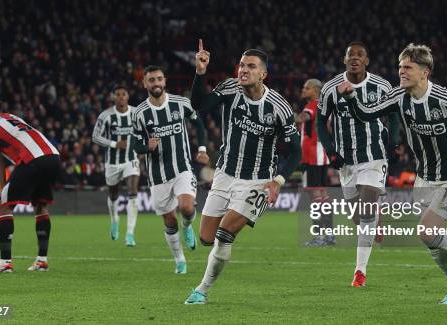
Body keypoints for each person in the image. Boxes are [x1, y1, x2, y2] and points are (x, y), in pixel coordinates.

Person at [341, 43, 447, 304]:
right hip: (424, 178)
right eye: (400, 67)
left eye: (408, 67)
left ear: (425, 72)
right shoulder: (398, 97)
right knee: (432, 243)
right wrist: (351, 97)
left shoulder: (444, 97)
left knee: (426, 231)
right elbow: (366, 113)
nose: (401, 72)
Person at [184, 40, 301, 304]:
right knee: (206, 238)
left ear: (263, 74)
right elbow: (199, 109)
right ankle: (226, 229)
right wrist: (200, 72)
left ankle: (201, 290)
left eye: (250, 66)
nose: (243, 70)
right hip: (225, 174)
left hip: (257, 181)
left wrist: (278, 181)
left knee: (224, 235)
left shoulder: (279, 107)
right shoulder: (229, 88)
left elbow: (295, 152)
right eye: (241, 65)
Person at [317, 42, 400, 286]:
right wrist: (331, 151)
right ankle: (375, 217)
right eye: (350, 55)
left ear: (367, 61)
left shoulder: (381, 85)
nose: (354, 58)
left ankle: (360, 272)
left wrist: (392, 142)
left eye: (359, 55)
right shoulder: (331, 88)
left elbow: (393, 115)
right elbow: (322, 122)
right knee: (359, 217)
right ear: (344, 61)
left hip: (375, 156)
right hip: (346, 161)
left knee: (365, 212)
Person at [132, 65, 208, 274]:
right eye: (151, 80)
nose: (156, 83)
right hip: (157, 176)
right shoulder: (139, 113)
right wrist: (147, 146)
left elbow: (199, 124)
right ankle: (179, 260)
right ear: (145, 83)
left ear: (164, 81)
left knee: (187, 207)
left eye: (159, 79)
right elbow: (135, 144)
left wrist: (202, 149)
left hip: (182, 167)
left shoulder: (181, 103)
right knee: (169, 220)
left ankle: (188, 226)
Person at [0, 98, 60, 273]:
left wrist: (2, 187)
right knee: (40, 205)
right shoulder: (13, 117)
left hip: (32, 159)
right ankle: (42, 261)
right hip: (53, 156)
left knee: (3, 206)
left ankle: (5, 263)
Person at [92, 85, 143, 247]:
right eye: (118, 95)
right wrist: (114, 144)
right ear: (114, 98)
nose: (121, 97)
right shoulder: (106, 116)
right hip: (112, 163)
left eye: (124, 94)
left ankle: (130, 234)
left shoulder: (136, 113)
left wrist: (142, 146)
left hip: (131, 160)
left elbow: (145, 131)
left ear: (128, 96)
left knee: (133, 192)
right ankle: (114, 219)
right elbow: (95, 137)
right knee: (113, 195)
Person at [295, 79, 332, 246]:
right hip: (322, 155)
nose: (303, 90)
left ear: (316, 90)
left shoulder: (312, 104)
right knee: (323, 196)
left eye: (307, 87)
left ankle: (319, 237)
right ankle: (330, 234)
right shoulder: (323, 106)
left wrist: (289, 118)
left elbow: (304, 117)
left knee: (315, 196)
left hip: (311, 156)